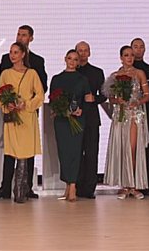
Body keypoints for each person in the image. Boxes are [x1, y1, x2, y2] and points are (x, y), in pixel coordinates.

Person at [0, 25, 46, 200]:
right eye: (18, 34)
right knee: (10, 151)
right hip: (12, 114)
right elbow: (2, 89)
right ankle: (5, 188)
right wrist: (8, 105)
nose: (20, 37)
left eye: (24, 35)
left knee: (28, 151)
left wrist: (27, 104)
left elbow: (41, 90)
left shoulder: (36, 63)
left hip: (27, 114)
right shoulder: (6, 65)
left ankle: (25, 188)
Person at [103, 45, 149, 200]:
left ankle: (134, 185)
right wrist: (117, 100)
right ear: (121, 58)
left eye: (131, 55)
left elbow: (147, 95)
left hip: (135, 114)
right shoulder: (115, 75)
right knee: (122, 149)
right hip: (120, 115)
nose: (129, 58)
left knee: (132, 148)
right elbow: (110, 97)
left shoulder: (139, 73)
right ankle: (125, 186)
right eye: (126, 55)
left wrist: (137, 102)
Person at [49, 49, 88, 202]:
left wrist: (81, 110)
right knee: (63, 152)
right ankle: (67, 184)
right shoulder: (56, 79)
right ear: (65, 59)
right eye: (70, 58)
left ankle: (73, 186)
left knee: (75, 152)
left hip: (77, 119)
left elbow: (87, 99)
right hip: (61, 120)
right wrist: (59, 109)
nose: (72, 61)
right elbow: (52, 100)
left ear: (78, 62)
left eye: (75, 59)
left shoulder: (82, 79)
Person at [74, 41, 105, 199]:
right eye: (80, 50)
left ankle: (90, 188)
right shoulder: (71, 72)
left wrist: (95, 98)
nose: (82, 53)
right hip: (74, 118)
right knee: (76, 153)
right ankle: (77, 186)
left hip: (92, 117)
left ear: (89, 53)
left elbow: (104, 95)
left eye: (85, 50)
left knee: (92, 153)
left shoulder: (97, 72)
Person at [130, 37, 149, 194]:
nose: (138, 49)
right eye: (135, 47)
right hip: (128, 116)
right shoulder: (123, 72)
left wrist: (139, 99)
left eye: (141, 46)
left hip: (146, 113)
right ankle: (129, 184)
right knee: (129, 149)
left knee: (146, 149)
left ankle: (145, 185)